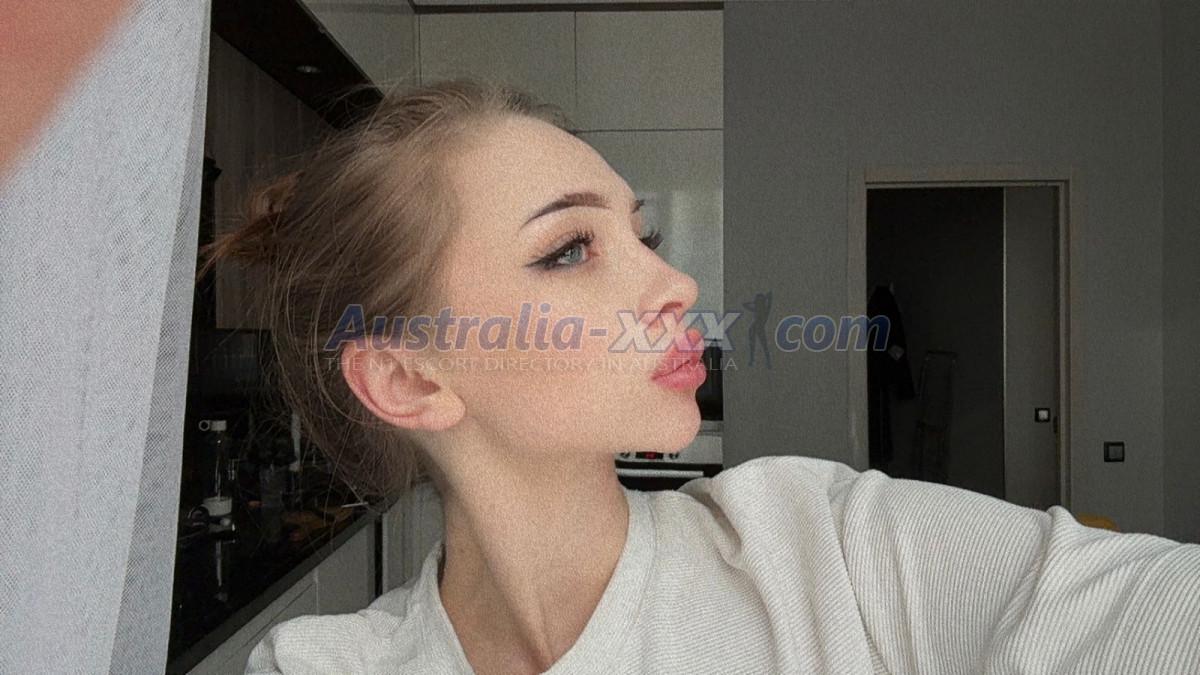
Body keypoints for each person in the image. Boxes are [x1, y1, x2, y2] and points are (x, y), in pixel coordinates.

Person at [199, 79, 1200, 675]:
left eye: (644, 236)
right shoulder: (321, 666)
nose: (676, 284)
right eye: (570, 249)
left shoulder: (826, 549)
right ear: (409, 377)